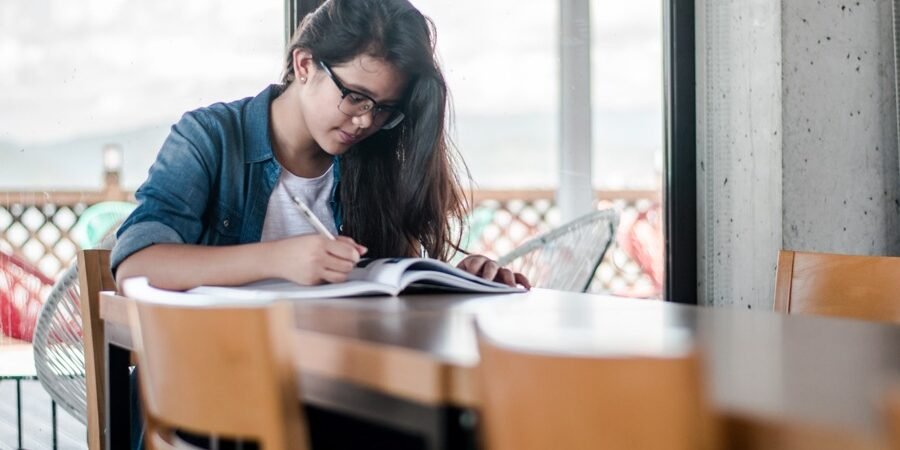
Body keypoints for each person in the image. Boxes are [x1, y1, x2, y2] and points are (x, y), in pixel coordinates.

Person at [112, 0, 530, 291]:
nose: (366, 120)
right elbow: (135, 267)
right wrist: (278, 260)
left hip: (332, 385)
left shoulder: (374, 159)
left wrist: (458, 279)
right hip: (210, 386)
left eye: (385, 108)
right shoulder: (210, 138)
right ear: (305, 64)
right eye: (355, 96)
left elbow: (394, 285)